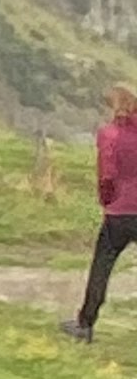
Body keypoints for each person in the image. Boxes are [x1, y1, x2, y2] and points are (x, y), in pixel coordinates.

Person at [70, 86, 137, 338]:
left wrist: (107, 201)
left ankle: (85, 323)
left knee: (102, 266)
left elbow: (107, 175)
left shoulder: (109, 134)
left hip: (119, 212)